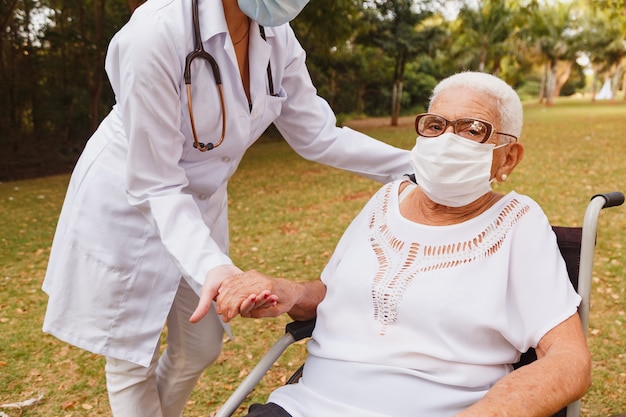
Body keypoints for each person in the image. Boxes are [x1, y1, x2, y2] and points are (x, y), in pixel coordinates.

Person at [40, 0, 411, 416]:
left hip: (201, 204)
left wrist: (414, 166)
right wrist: (214, 268)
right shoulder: (154, 33)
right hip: (129, 201)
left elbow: (318, 134)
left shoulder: (275, 35)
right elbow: (157, 183)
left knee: (200, 347)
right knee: (129, 359)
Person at [215, 71, 593, 417]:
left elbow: (568, 360)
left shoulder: (518, 221)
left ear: (508, 156)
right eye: (435, 125)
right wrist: (290, 292)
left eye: (472, 129)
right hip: (305, 406)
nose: (447, 141)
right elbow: (333, 292)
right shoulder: (386, 200)